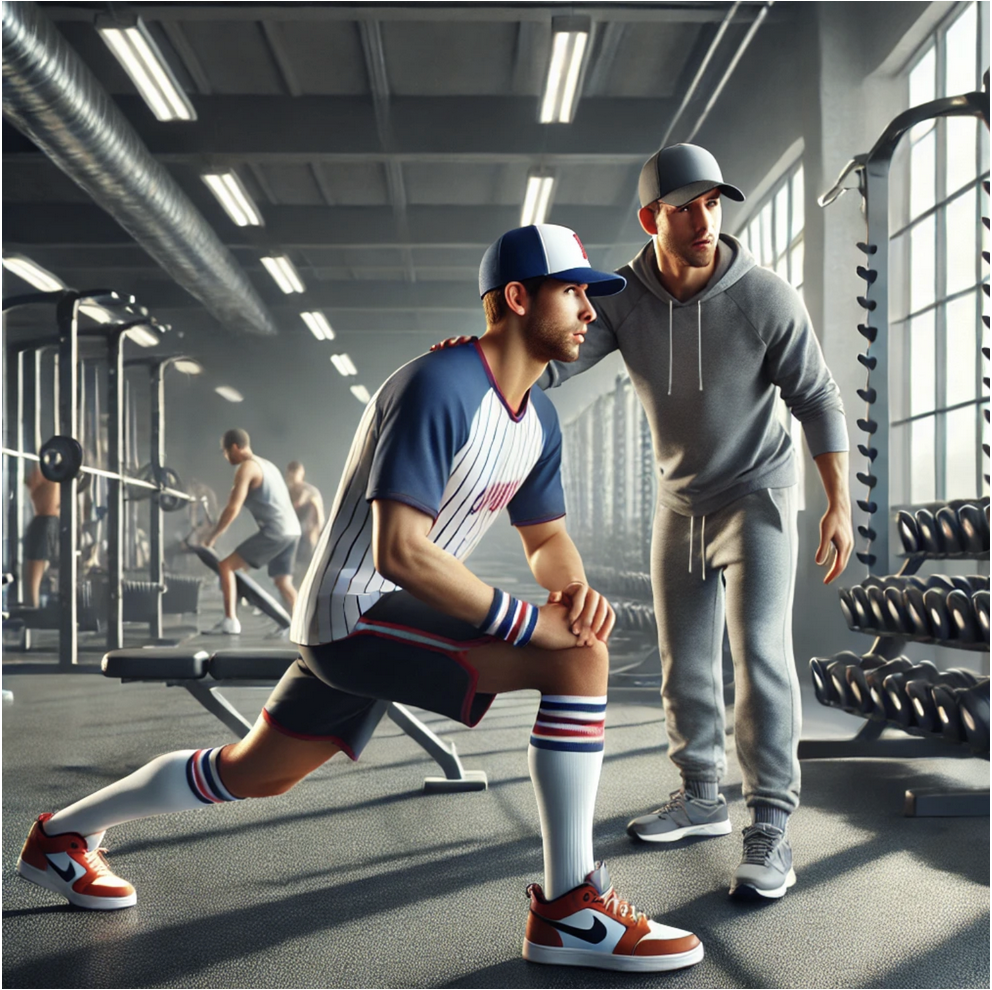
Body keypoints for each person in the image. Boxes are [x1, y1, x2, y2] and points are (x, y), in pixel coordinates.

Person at [16, 224, 704, 975]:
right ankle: (569, 908)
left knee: (255, 772)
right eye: (571, 291)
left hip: (373, 615)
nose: (587, 309)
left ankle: (61, 837)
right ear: (516, 297)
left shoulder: (537, 416)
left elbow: (546, 539)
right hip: (354, 612)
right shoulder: (439, 386)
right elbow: (399, 551)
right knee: (578, 660)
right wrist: (528, 621)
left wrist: (572, 592)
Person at [540, 144, 853, 901]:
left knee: (760, 662)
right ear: (652, 218)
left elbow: (819, 398)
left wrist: (839, 503)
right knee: (685, 662)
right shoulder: (620, 298)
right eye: (685, 208)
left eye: (713, 203)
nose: (704, 220)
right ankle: (702, 796)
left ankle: (771, 823)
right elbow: (556, 359)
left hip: (758, 493)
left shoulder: (766, 298)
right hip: (678, 501)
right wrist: (485, 357)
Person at [201, 429, 301, 634]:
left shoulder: (247, 468)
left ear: (235, 447)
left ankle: (230, 622)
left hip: (277, 531)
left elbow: (233, 508)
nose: (225, 456)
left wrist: (211, 537)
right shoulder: (268, 465)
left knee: (226, 567)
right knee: (282, 582)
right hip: (292, 531)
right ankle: (303, 624)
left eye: (225, 451)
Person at [22, 465, 59, 607]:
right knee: (35, 566)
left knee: (36, 567)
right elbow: (29, 482)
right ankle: (32, 604)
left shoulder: (50, 475)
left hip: (47, 519)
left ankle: (33, 604)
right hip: (46, 519)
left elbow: (30, 482)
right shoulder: (48, 475)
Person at [284, 460, 324, 569]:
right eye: (290, 473)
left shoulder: (310, 491)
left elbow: (318, 513)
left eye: (294, 472)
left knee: (309, 563)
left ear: (301, 473)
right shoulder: (288, 492)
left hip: (309, 533)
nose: (291, 476)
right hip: (293, 533)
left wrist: (316, 530)